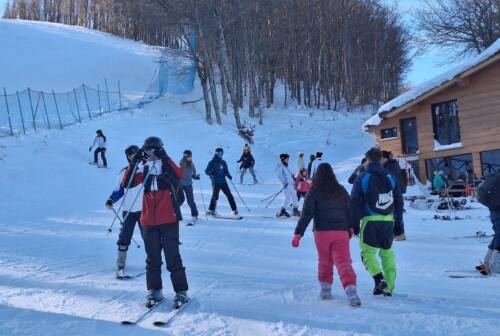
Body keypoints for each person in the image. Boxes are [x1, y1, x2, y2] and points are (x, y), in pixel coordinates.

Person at [123, 136, 189, 308]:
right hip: (148, 221)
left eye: (153, 150)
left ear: (159, 149)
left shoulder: (166, 166)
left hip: (168, 218)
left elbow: (179, 174)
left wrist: (164, 157)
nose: (150, 154)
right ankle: (154, 290)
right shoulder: (143, 169)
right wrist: (134, 162)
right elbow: (126, 184)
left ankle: (181, 291)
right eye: (147, 150)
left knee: (172, 256)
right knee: (152, 258)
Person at [292, 163, 361, 306]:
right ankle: (351, 291)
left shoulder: (314, 191)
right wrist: (353, 227)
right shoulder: (340, 190)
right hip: (341, 232)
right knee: (343, 261)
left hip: (322, 233)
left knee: (324, 261)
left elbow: (306, 214)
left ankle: (325, 291)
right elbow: (350, 210)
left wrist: (298, 234)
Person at [350, 147, 404, 297]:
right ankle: (390, 287)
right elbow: (399, 202)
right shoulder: (390, 177)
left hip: (370, 220)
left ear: (368, 160)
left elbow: (353, 202)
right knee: (387, 253)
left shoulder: (362, 177)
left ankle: (379, 278)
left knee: (367, 253)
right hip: (388, 221)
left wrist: (354, 225)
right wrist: (398, 224)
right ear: (380, 159)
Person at [106, 145, 143, 278]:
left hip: (144, 209)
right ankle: (121, 264)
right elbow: (119, 190)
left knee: (149, 236)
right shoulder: (124, 172)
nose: (132, 157)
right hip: (128, 210)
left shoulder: (145, 168)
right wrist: (111, 199)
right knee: (124, 236)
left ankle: (154, 261)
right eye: (129, 155)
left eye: (134, 154)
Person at [476, 172, 500, 275]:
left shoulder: (495, 176)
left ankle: (486, 262)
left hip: (494, 209)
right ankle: (495, 266)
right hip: (498, 209)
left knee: (497, 235)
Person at [205, 148, 238, 216]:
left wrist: (229, 176)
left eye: (221, 153)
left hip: (223, 182)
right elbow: (206, 171)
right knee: (215, 197)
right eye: (218, 153)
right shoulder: (212, 162)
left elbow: (226, 171)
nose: (220, 155)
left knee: (229, 195)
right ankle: (211, 210)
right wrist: (211, 172)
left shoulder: (223, 162)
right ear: (216, 153)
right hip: (215, 182)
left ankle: (234, 210)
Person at [381, 151, 406, 241]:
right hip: (395, 192)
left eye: (380, 158)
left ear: (384, 158)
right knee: (396, 213)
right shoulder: (390, 165)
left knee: (396, 213)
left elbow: (391, 180)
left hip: (395, 193)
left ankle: (399, 234)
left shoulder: (390, 166)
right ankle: (397, 234)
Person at [179, 150, 200, 223]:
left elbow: (193, 174)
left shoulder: (191, 164)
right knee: (179, 200)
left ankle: (195, 215)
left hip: (188, 185)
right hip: (181, 185)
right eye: (189, 156)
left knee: (190, 201)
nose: (190, 158)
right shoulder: (181, 164)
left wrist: (196, 177)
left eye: (191, 156)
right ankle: (175, 214)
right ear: (185, 157)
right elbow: (177, 173)